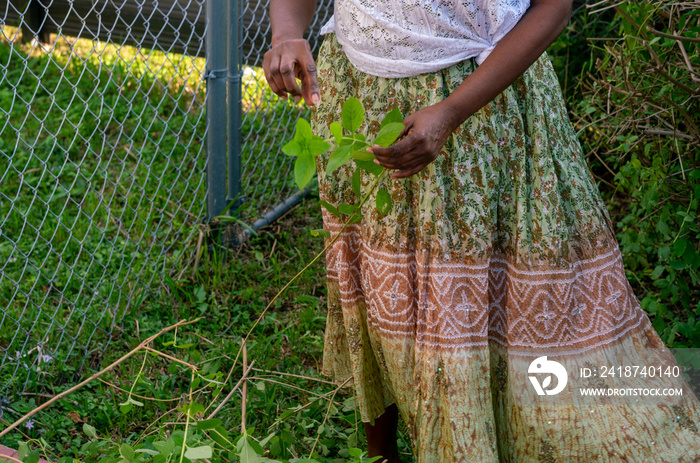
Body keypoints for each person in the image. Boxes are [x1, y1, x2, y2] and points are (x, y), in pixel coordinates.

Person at [263, 1, 700, 461]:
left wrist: (451, 112)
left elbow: (554, 7)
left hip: (477, 102)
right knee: (377, 280)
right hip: (358, 90)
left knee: (478, 297)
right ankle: (380, 454)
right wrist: (286, 31)